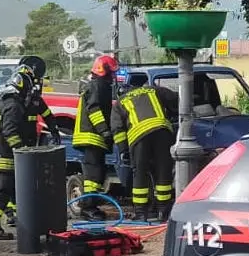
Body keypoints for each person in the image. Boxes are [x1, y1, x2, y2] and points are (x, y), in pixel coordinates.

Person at [112, 82, 178, 221]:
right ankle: (164, 212)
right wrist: (172, 114)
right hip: (162, 132)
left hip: (139, 137)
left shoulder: (119, 102)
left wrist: (124, 150)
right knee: (163, 170)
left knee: (140, 173)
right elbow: (175, 98)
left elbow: (118, 129)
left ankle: (141, 213)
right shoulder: (151, 90)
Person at [0, 67, 33, 239]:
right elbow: (10, 132)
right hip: (6, 158)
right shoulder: (14, 106)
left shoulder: (0, 103)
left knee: (0, 193)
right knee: (3, 194)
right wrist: (22, 149)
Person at [71, 55, 119, 220]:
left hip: (94, 136)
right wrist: (105, 131)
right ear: (103, 71)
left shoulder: (98, 85)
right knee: (93, 173)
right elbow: (95, 110)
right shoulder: (97, 86)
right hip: (91, 135)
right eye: (111, 73)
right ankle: (87, 208)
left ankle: (91, 206)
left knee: (98, 172)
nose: (113, 77)